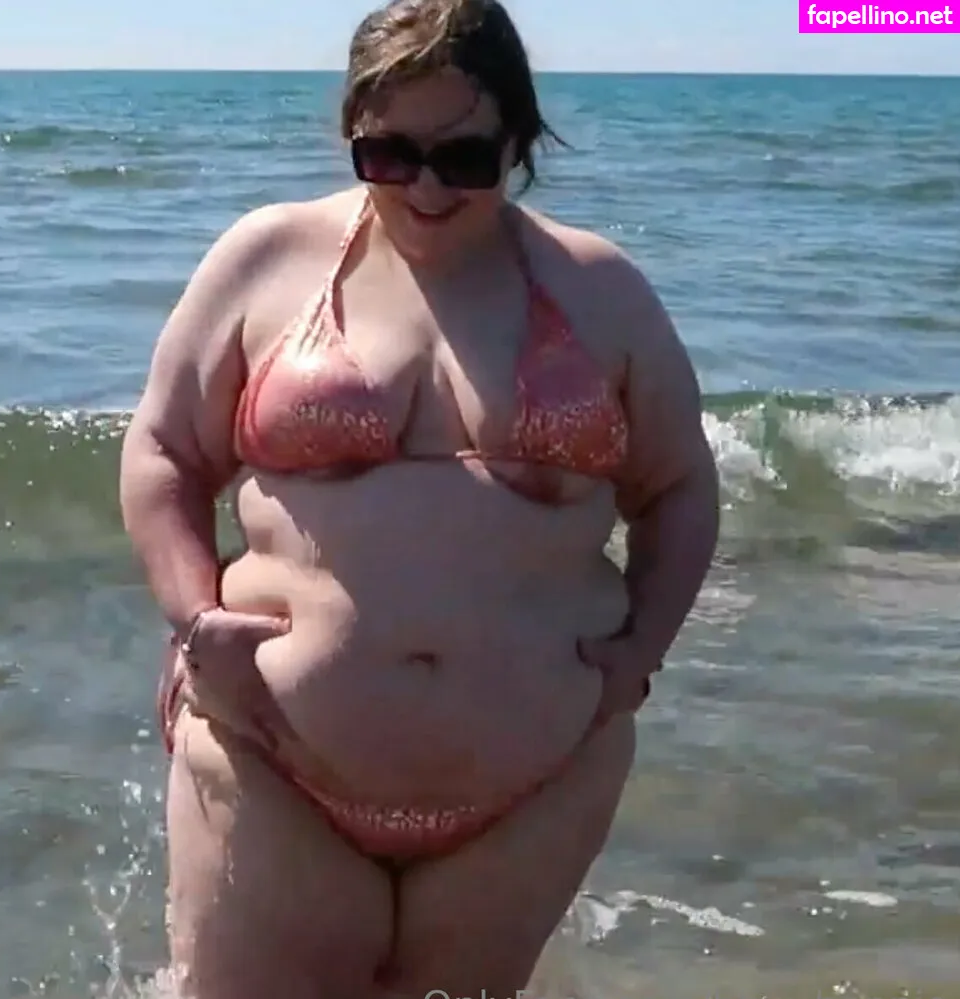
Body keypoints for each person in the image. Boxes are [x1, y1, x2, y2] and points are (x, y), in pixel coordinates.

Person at [119, 0, 719, 995]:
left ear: (518, 141)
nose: (427, 187)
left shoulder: (600, 291)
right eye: (391, 154)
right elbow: (163, 452)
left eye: (464, 158)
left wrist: (640, 651)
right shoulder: (266, 260)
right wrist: (195, 617)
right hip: (270, 765)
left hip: (531, 792)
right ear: (352, 133)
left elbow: (681, 485)